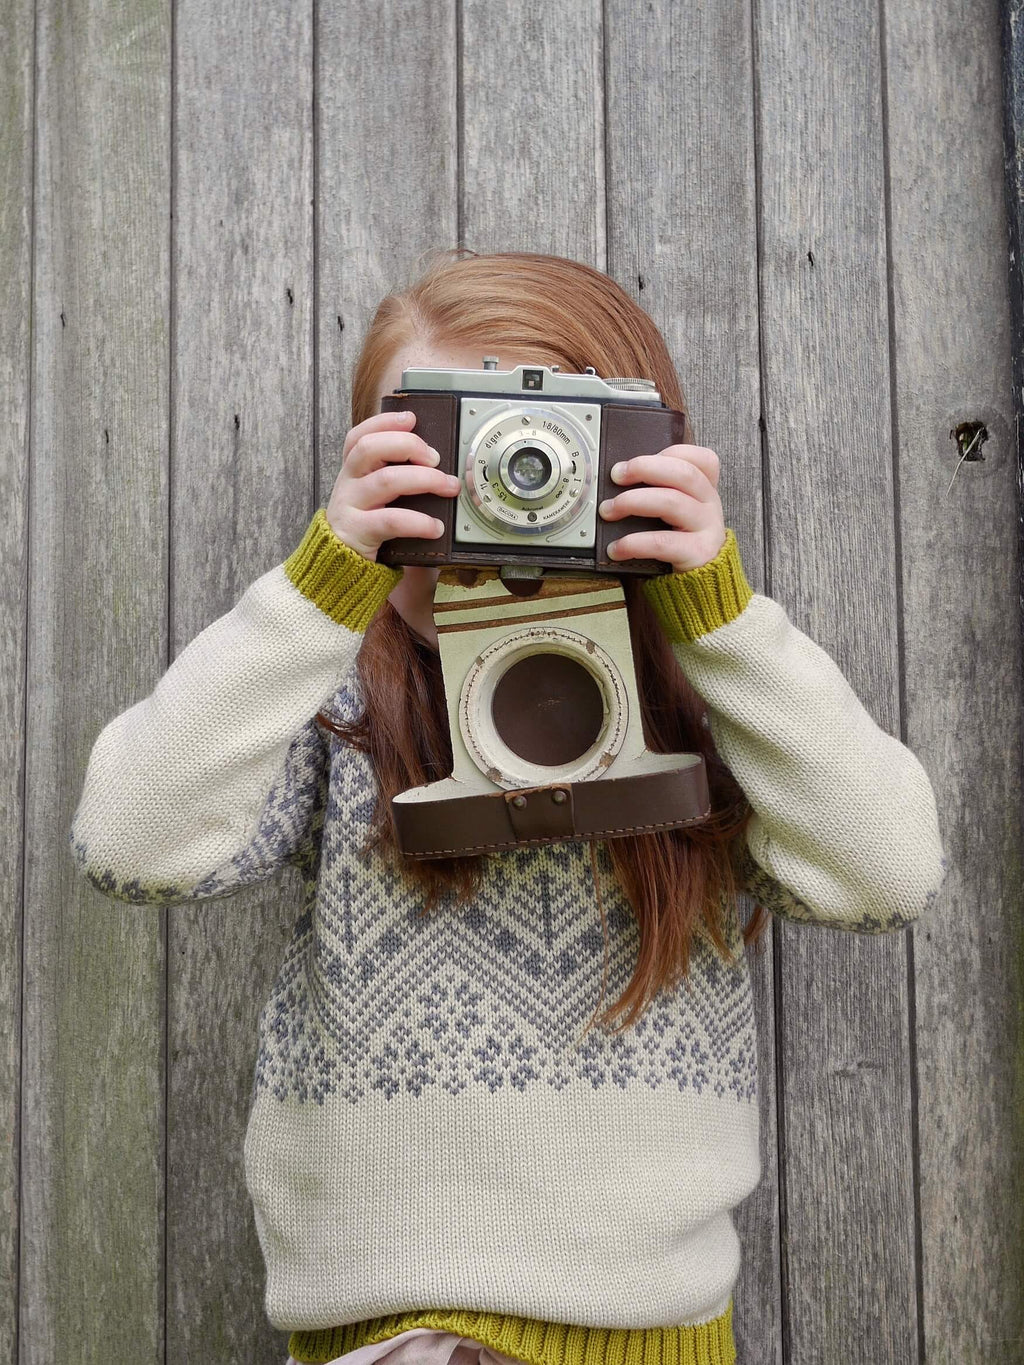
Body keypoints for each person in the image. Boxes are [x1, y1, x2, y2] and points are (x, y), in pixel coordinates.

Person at [68, 249, 948, 1365]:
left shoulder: (711, 703)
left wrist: (712, 610)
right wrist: (324, 582)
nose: (507, 502)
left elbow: (887, 874)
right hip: (382, 1339)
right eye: (454, 465)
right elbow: (129, 846)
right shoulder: (333, 699)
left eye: (547, 462)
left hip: (650, 1340)